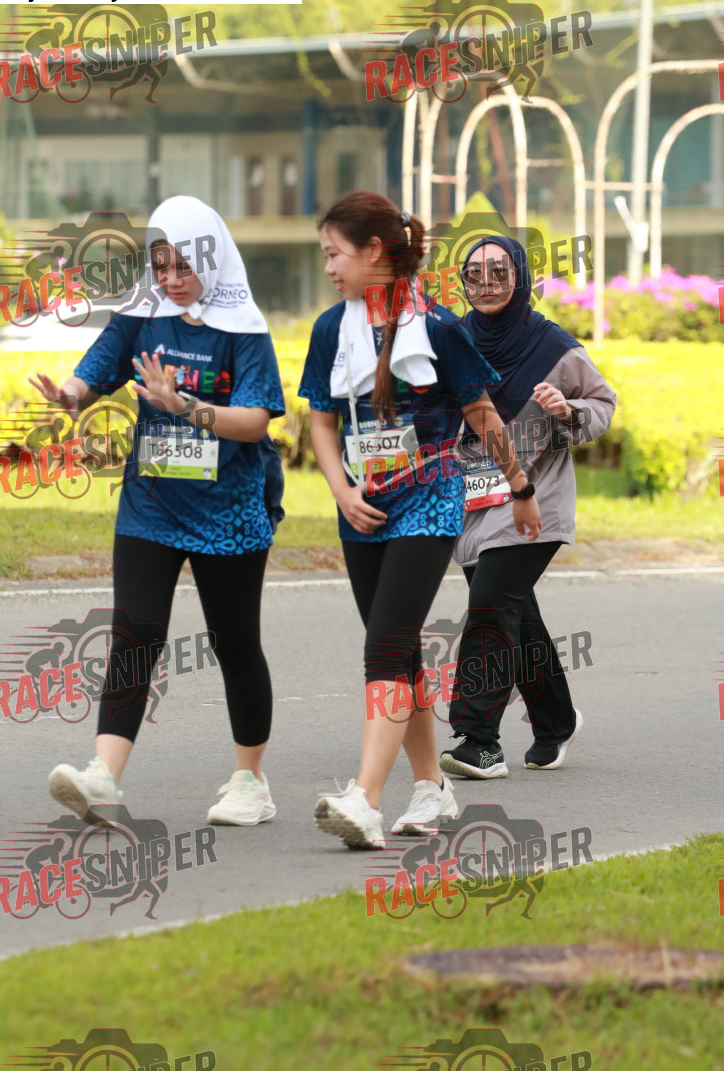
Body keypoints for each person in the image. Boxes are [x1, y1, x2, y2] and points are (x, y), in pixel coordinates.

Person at [31, 195, 286, 826]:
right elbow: (97, 371)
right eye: (160, 264)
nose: (169, 279)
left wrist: (186, 407)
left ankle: (250, 782)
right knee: (134, 636)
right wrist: (71, 394)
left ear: (212, 261)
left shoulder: (243, 327)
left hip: (229, 513)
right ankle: (103, 777)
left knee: (235, 643)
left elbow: (255, 422)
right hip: (151, 506)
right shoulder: (141, 315)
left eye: (183, 267)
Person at [298, 192, 541, 849]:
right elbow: (321, 420)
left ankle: (365, 798)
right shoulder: (331, 329)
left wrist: (520, 486)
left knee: (382, 649)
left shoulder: (437, 328)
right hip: (362, 508)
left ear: (374, 251)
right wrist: (341, 491)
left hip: (428, 501)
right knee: (400, 652)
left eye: (335, 254)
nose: (329, 268)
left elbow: (482, 413)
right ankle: (433, 786)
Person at [439, 235, 616, 779]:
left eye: (499, 272)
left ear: (519, 276)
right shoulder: (454, 340)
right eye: (474, 274)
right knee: (518, 616)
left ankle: (478, 740)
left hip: (535, 498)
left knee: (491, 606)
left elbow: (602, 404)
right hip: (473, 501)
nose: (486, 283)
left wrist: (567, 410)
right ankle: (556, 720)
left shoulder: (552, 345)